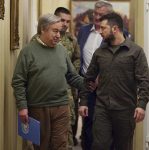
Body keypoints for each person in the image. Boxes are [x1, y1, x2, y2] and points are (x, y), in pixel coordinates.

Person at [12, 13, 84, 150]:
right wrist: (22, 106)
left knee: (60, 145)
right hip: (38, 107)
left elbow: (72, 76)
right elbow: (18, 81)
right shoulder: (28, 51)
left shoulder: (61, 50)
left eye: (60, 32)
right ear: (43, 29)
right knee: (41, 146)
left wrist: (89, 83)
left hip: (62, 106)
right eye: (55, 31)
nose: (58, 35)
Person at [79, 12, 149, 150]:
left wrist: (141, 105)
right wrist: (83, 102)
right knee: (99, 145)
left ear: (115, 29)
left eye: (103, 28)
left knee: (123, 147)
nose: (100, 31)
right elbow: (88, 78)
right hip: (102, 109)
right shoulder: (100, 52)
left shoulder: (135, 51)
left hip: (125, 110)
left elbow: (144, 80)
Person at [77, 1, 113, 149]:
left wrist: (101, 78)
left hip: (107, 88)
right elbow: (78, 57)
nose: (97, 17)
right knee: (87, 125)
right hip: (87, 87)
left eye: (101, 15)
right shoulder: (84, 31)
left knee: (105, 127)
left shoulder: (115, 34)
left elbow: (116, 61)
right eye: (95, 13)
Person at [54, 7, 80, 149]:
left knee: (69, 123)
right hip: (50, 89)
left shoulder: (72, 39)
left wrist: (71, 74)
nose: (65, 24)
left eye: (67, 21)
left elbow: (77, 58)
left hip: (68, 88)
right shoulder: (45, 36)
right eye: (62, 20)